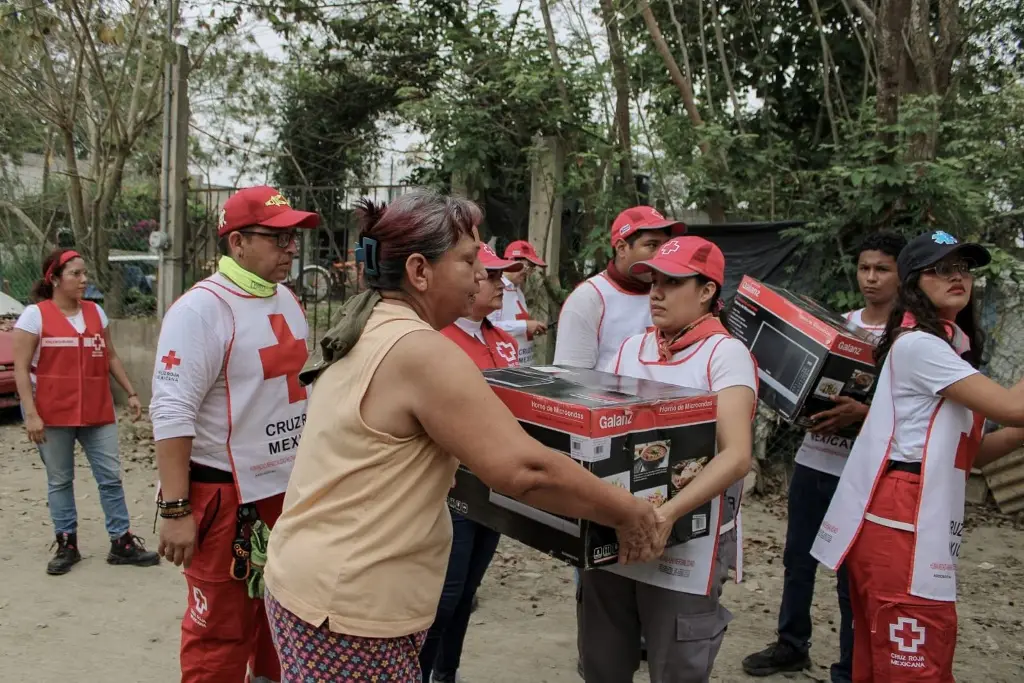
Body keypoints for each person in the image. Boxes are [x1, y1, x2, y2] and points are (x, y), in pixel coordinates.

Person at [261, 189, 664, 682]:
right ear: (419, 271)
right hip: (351, 607)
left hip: (310, 583)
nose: (482, 273)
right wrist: (631, 512)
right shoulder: (420, 350)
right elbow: (524, 470)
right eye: (469, 260)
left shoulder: (368, 321)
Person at [812, 230, 1024, 682]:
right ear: (912, 283)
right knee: (915, 663)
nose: (957, 277)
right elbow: (1013, 407)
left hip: (904, 510)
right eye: (941, 268)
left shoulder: (942, 348)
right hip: (903, 520)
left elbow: (976, 453)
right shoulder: (922, 347)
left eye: (964, 268)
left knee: (885, 662)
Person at [149, 185, 320, 683]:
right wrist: (177, 510)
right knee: (219, 638)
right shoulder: (200, 310)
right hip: (225, 496)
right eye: (278, 237)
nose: (291, 248)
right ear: (238, 242)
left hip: (284, 493)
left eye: (294, 237)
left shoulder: (286, 299)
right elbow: (172, 410)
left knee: (281, 626)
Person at [575, 236, 756, 683]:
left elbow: (736, 456)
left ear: (707, 290)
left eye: (672, 282)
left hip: (686, 544)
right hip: (615, 534)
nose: (655, 292)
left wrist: (664, 516)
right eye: (653, 280)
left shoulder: (725, 354)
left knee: (676, 670)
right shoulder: (630, 349)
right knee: (602, 663)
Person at [743, 231, 907, 681]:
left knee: (849, 576)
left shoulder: (909, 334)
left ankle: (850, 667)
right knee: (797, 560)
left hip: (862, 474)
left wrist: (863, 413)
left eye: (882, 269)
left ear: (902, 273)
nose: (870, 278)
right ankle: (791, 644)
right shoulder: (840, 324)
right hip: (813, 460)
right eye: (864, 268)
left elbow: (912, 410)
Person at [11, 248, 158, 575]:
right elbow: (21, 369)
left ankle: (121, 542)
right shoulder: (35, 316)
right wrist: (31, 414)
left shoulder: (96, 313)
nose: (84, 279)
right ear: (55, 279)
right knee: (60, 480)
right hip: (52, 414)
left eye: (84, 273)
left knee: (110, 477)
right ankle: (67, 543)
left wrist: (132, 392)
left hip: (96, 411)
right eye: (76, 274)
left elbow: (111, 357)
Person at [420, 243, 524, 683]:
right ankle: (416, 674)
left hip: (495, 487)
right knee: (444, 596)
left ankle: (447, 672)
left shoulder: (503, 342)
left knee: (466, 592)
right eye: (492, 276)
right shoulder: (437, 340)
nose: (501, 285)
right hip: (454, 487)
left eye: (502, 277)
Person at [554, 206, 686, 370]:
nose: (662, 254)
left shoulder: (680, 293)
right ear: (622, 248)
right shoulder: (588, 298)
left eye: (666, 245)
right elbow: (570, 377)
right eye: (652, 245)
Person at [487, 239, 548, 366]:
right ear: (512, 261)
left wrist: (531, 327)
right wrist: (525, 326)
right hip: (507, 366)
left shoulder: (518, 290)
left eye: (532, 269)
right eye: (527, 267)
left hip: (525, 364)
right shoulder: (497, 289)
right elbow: (490, 327)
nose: (528, 273)